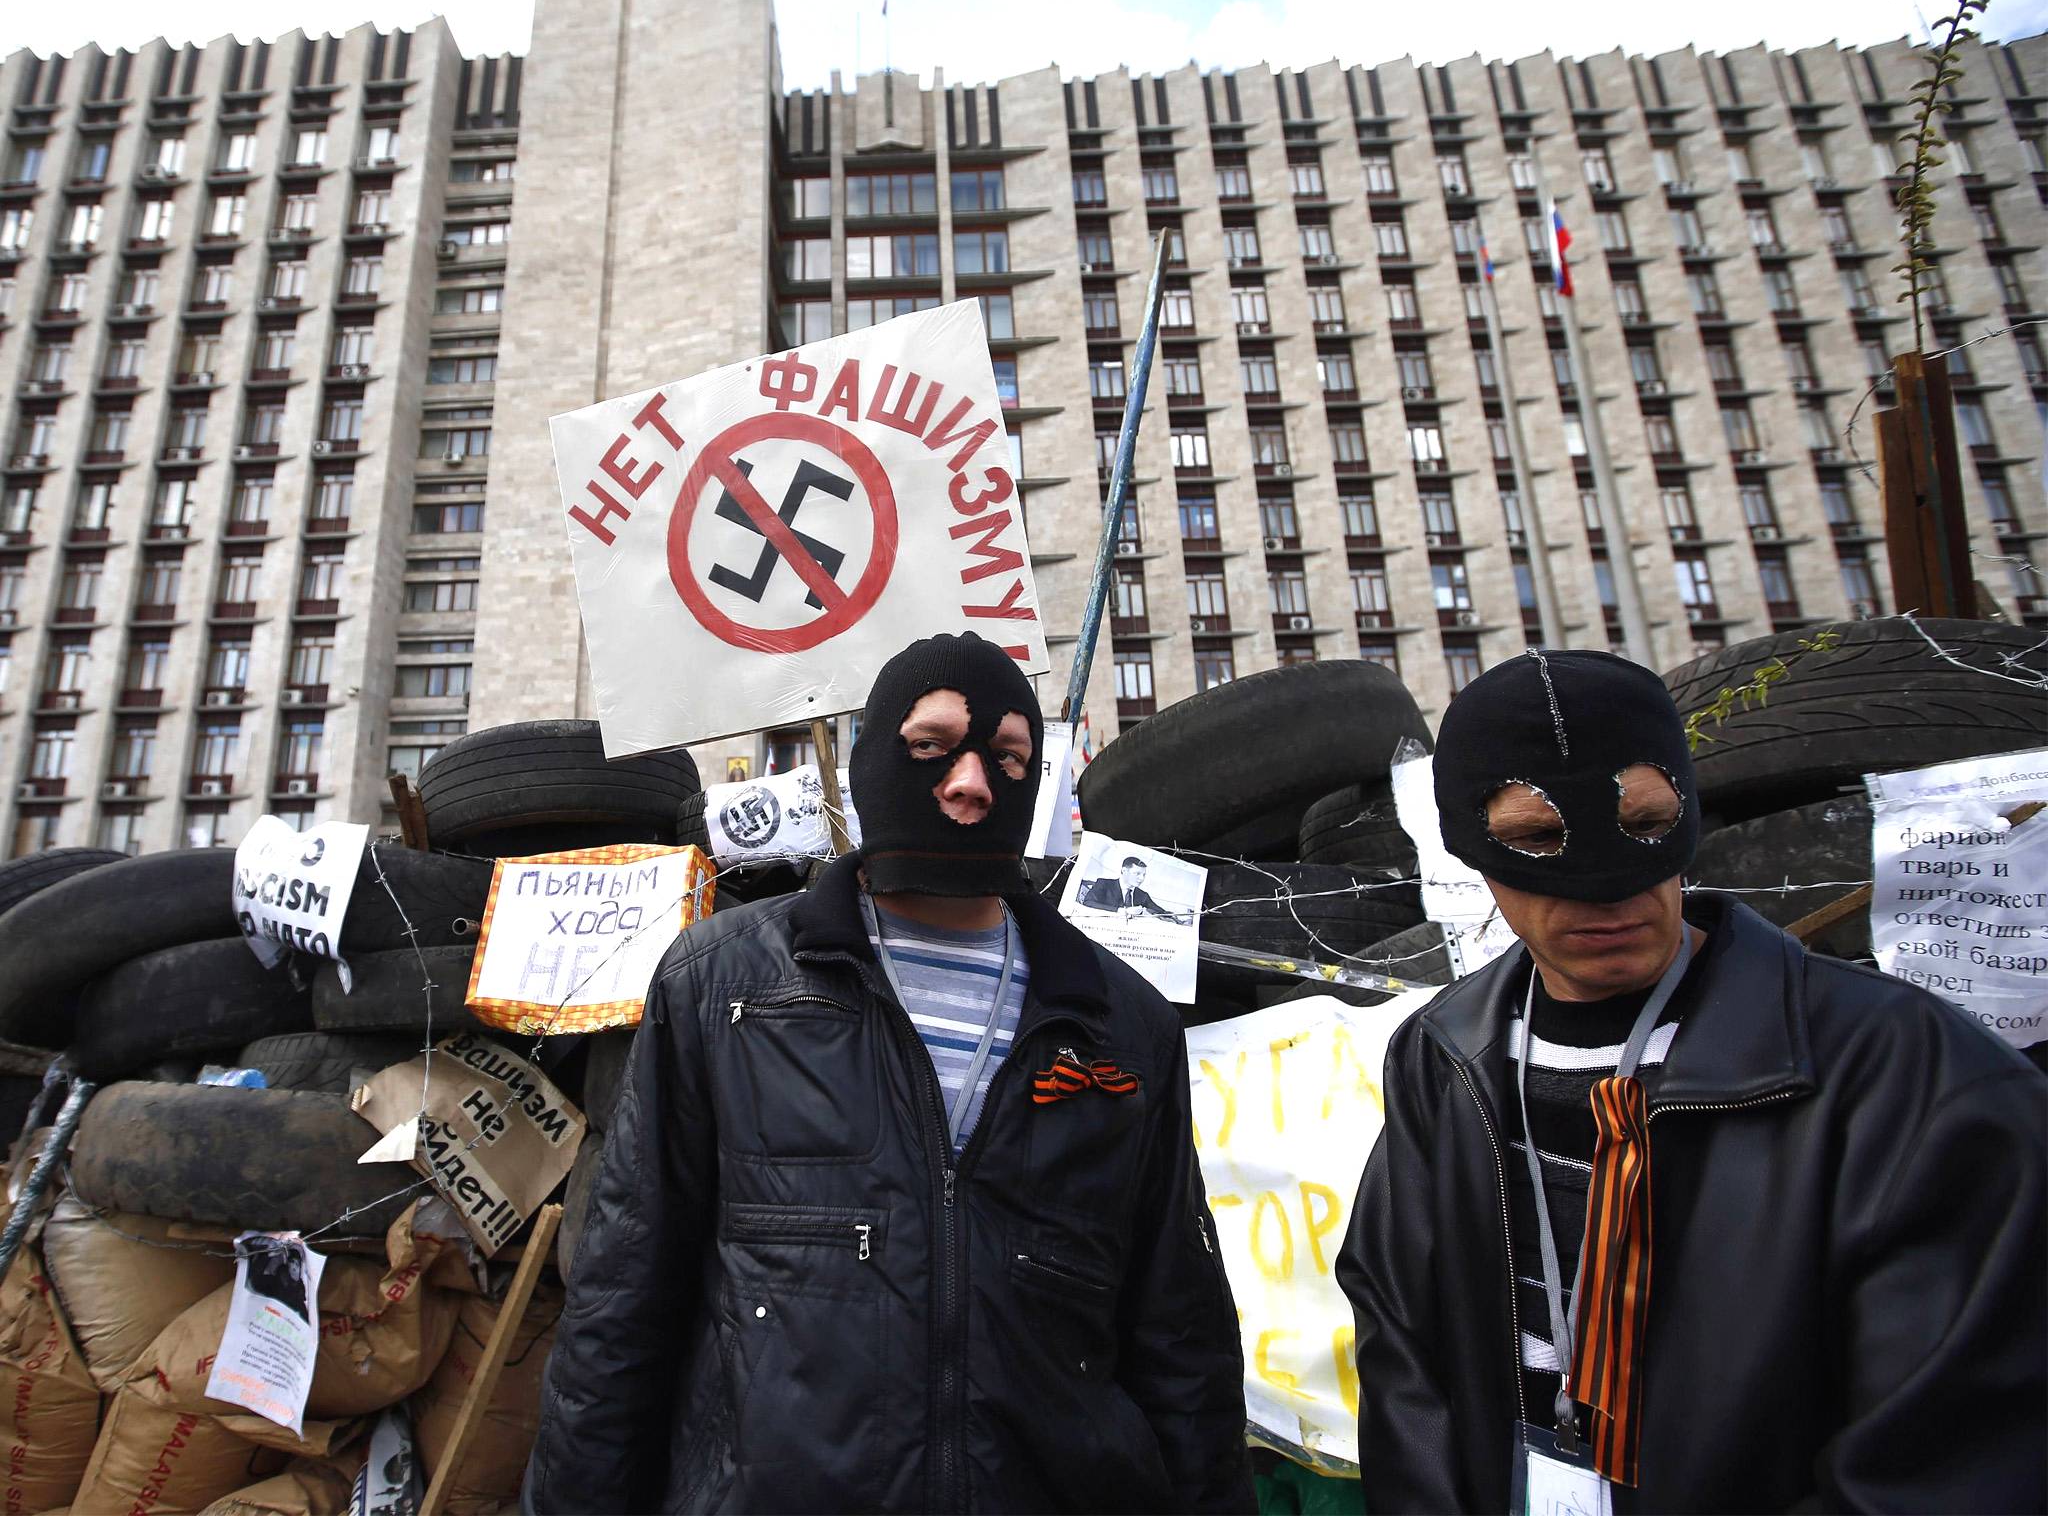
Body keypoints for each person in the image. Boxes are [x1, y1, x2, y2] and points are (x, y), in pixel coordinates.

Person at [527, 632, 1253, 1514]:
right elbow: (622, 1308)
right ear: (875, 757)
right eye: (932, 747)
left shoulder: (1122, 1021)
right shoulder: (724, 985)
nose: (972, 782)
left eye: (1010, 755)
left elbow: (1181, 1337)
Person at [1337, 648, 2047, 1514]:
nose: (1607, 889)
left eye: (1644, 822)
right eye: (1534, 838)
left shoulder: (1907, 1073)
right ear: (1468, 847)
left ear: (1687, 810)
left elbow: (1951, 1449)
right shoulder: (1442, 1058)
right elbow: (1402, 1339)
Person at [1077, 855, 1189, 922]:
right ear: (1124, 871)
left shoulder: (1142, 895)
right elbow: (1088, 902)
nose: (1141, 879)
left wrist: (1176, 918)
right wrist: (1121, 911)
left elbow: (1159, 911)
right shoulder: (1104, 884)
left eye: (1144, 875)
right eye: (1137, 873)